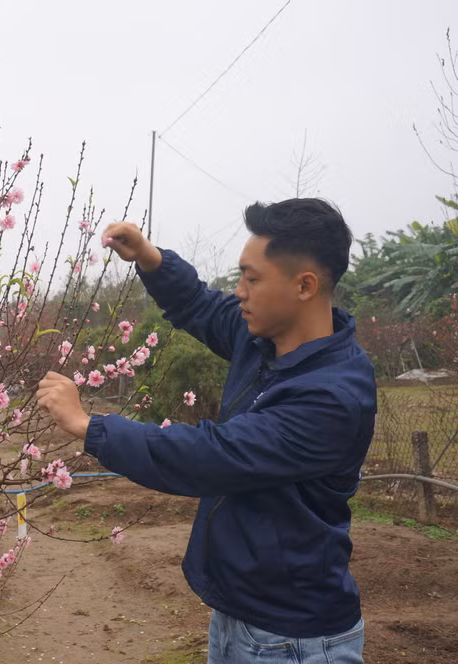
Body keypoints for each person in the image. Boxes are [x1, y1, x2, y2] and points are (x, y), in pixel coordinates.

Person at [36, 199, 376, 663]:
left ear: (304, 285)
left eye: (252, 279)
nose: (239, 291)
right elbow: (200, 304)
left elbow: (212, 455)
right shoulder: (266, 342)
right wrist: (150, 258)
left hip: (293, 640)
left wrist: (89, 425)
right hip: (242, 618)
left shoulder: (331, 396)